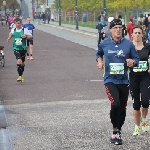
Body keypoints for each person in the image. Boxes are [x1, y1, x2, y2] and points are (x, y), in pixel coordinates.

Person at [96, 19, 139, 145]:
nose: (118, 30)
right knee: (115, 103)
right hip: (110, 79)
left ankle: (118, 130)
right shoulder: (104, 43)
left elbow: (135, 58)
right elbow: (98, 54)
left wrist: (133, 62)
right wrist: (99, 62)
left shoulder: (129, 44)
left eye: (120, 27)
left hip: (124, 80)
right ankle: (114, 130)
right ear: (111, 30)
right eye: (116, 28)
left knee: (122, 107)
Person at [129, 25, 150, 136]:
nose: (137, 35)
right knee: (136, 104)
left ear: (142, 34)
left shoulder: (147, 46)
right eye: (135, 33)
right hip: (133, 78)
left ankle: (144, 120)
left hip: (145, 77)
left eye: (139, 33)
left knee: (146, 102)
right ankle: (137, 126)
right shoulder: (128, 47)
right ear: (132, 35)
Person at [7, 18, 32, 82]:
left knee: (22, 63)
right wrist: (9, 38)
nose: (18, 25)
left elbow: (31, 37)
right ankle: (20, 76)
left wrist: (26, 36)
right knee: (19, 61)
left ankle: (21, 74)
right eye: (16, 23)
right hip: (16, 48)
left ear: (21, 23)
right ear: (15, 24)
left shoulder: (25, 30)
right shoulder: (13, 30)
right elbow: (11, 34)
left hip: (23, 49)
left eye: (19, 23)